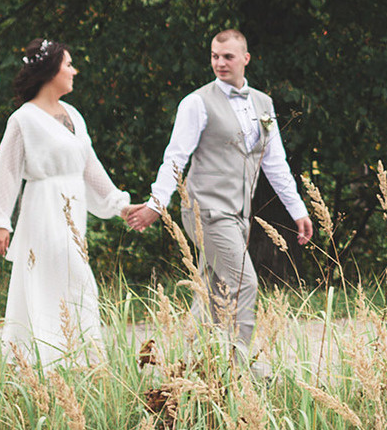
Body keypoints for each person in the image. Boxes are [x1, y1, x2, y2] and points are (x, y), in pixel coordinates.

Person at [124, 28, 311, 361]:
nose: (220, 63)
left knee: (214, 291)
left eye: (227, 56)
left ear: (245, 59)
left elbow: (275, 162)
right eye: (214, 56)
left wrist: (298, 210)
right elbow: (176, 157)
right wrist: (157, 203)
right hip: (205, 209)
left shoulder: (264, 104)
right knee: (244, 283)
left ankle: (185, 365)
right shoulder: (197, 102)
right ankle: (238, 370)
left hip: (238, 212)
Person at [0, 40, 149, 365]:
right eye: (68, 64)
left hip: (74, 213)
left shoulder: (74, 115)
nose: (74, 71)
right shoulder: (24, 119)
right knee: (60, 280)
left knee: (72, 281)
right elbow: (6, 169)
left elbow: (89, 167)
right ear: (50, 69)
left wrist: (120, 205)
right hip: (43, 209)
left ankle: (72, 361)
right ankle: (54, 361)